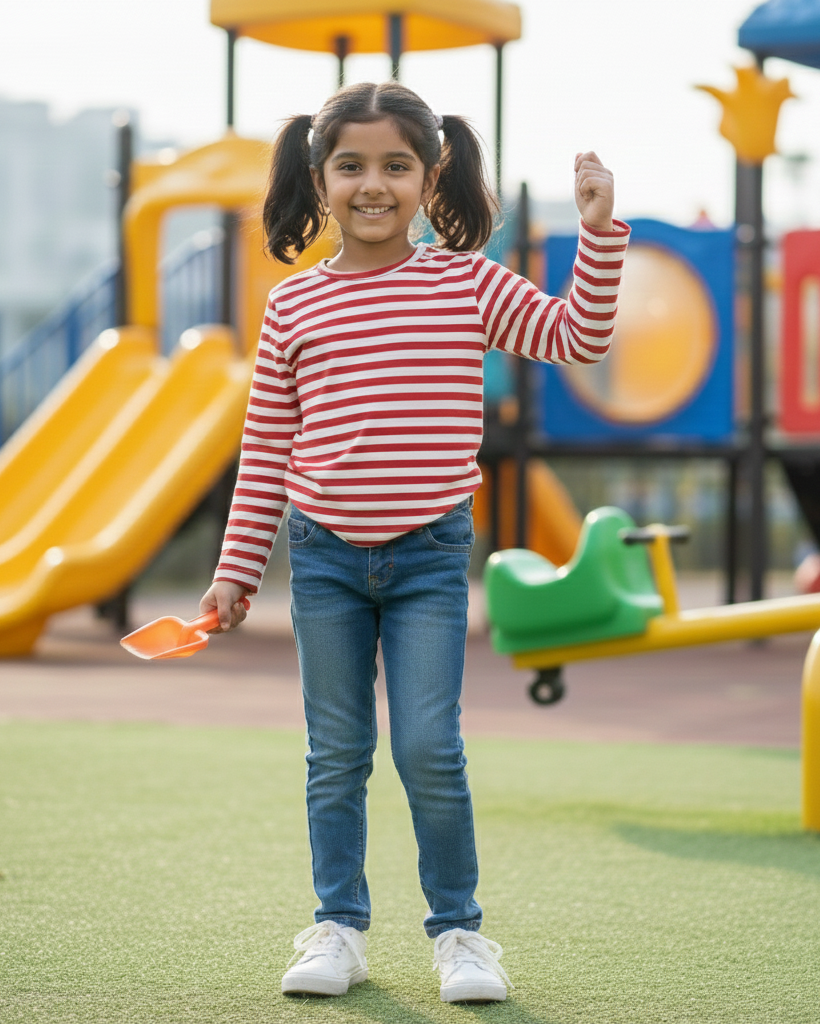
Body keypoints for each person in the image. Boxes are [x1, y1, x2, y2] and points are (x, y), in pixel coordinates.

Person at [199, 80, 629, 1003]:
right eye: (351, 165)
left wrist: (596, 231)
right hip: (322, 560)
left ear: (431, 177)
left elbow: (578, 335)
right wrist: (236, 574)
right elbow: (268, 448)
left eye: (396, 165)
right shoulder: (293, 308)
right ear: (319, 179)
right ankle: (338, 927)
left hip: (431, 555)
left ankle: (460, 933)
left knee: (429, 745)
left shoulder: (463, 280)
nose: (373, 185)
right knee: (336, 751)